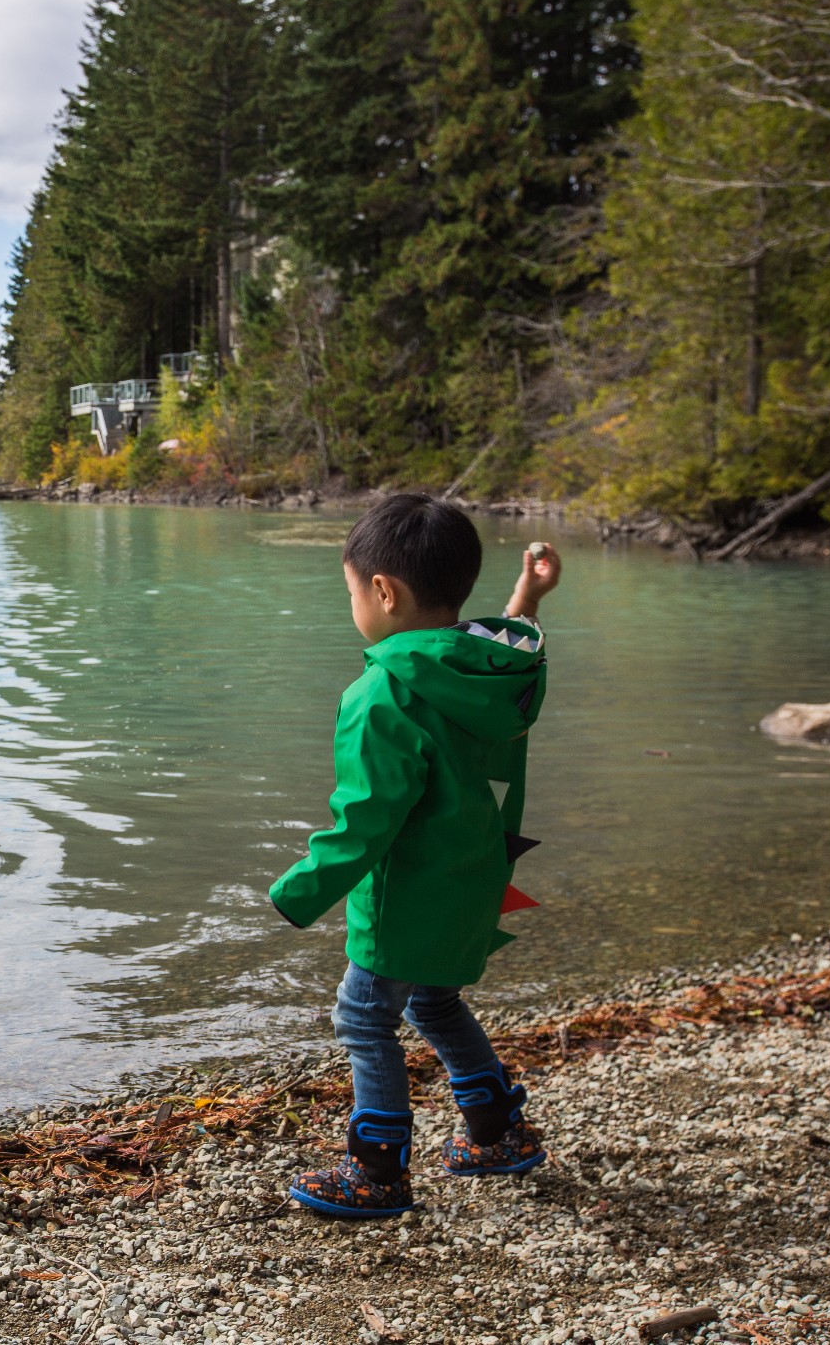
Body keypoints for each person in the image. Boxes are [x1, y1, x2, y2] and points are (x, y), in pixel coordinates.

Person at [269, 494, 563, 1218]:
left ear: (382, 590)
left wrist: (300, 889)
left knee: (365, 1019)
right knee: (435, 998)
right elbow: (505, 642)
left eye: (348, 592)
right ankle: (496, 1129)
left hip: (407, 896)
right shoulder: (495, 671)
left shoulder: (382, 693)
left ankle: (378, 1168)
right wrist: (526, 597)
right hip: (474, 879)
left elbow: (366, 819)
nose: (352, 606)